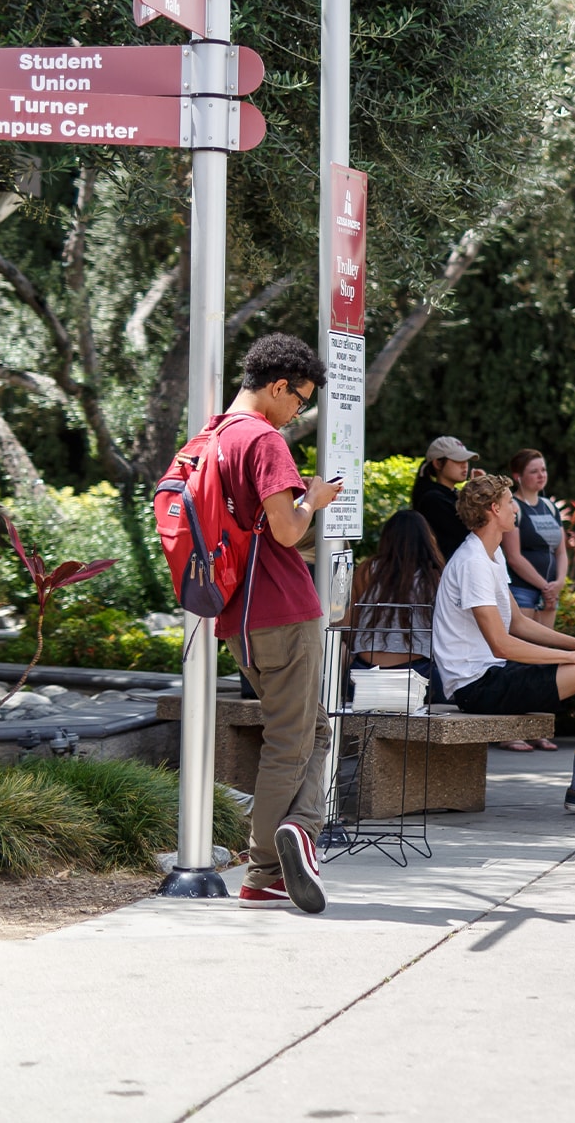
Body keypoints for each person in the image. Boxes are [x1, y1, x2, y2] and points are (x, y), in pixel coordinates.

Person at [432, 474, 575, 825]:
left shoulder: (489, 555)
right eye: (509, 503)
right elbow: (501, 643)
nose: (514, 509)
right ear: (494, 510)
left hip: (495, 675)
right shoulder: (473, 562)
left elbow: (517, 622)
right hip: (476, 686)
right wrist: (574, 657)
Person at [213, 333, 343, 913]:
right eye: (300, 399)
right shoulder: (264, 440)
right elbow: (288, 531)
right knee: (290, 741)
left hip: (237, 615)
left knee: (309, 729)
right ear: (276, 386)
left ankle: (281, 854)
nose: (299, 411)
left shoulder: (213, 436)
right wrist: (313, 499)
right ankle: (276, 852)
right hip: (283, 608)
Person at [496, 449, 568, 753]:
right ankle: (509, 731)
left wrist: (559, 584)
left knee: (545, 658)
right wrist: (543, 586)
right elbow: (514, 556)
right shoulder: (516, 509)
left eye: (544, 470)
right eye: (534, 471)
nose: (541, 476)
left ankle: (538, 730)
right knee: (519, 660)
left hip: (549, 594)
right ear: (518, 476)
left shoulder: (550, 507)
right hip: (524, 592)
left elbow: (561, 552)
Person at [345, 510, 445, 702]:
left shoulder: (368, 570)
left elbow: (350, 623)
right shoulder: (435, 577)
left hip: (364, 676)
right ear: (427, 539)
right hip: (416, 675)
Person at [411, 437, 478, 560]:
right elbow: (470, 534)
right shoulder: (432, 500)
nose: (464, 465)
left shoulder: (453, 495)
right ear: (437, 463)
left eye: (466, 460)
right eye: (458, 460)